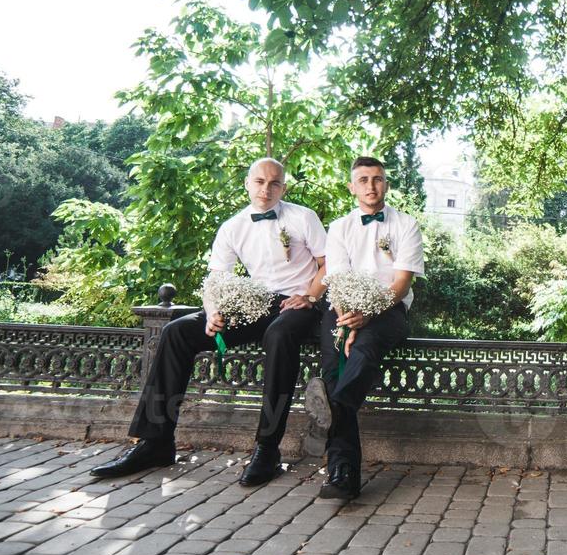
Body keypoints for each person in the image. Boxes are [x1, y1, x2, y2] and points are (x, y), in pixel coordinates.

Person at [90, 158, 328, 486]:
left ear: (283, 188)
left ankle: (267, 449)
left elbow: (327, 265)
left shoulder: (303, 217)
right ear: (247, 183)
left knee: (278, 335)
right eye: (259, 181)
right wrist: (214, 311)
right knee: (178, 331)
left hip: (298, 306)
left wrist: (311, 297)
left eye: (274, 183)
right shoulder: (233, 227)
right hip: (253, 303)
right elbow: (217, 279)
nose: (265, 189)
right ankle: (155, 442)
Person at [302, 157, 424, 503]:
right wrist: (346, 318)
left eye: (378, 179)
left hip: (388, 309)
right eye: (364, 179)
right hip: (342, 307)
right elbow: (336, 278)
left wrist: (367, 316)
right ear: (352, 187)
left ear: (386, 185)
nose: (371, 185)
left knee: (363, 353)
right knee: (333, 370)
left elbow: (400, 284)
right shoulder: (340, 227)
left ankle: (332, 420)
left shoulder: (406, 225)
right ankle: (343, 475)